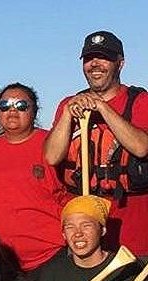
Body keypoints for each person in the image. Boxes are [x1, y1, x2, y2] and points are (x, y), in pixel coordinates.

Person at [44, 31, 148, 257]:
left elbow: (141, 147)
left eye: (103, 58)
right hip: (87, 230)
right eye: (89, 58)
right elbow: (52, 157)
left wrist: (102, 107)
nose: (95, 64)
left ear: (120, 63)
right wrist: (67, 114)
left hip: (134, 229)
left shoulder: (140, 101)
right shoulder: (69, 103)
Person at [0, 84, 68, 275]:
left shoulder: (53, 144)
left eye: (21, 105)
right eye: (5, 105)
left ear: (34, 111)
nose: (12, 111)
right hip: (3, 260)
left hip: (50, 255)